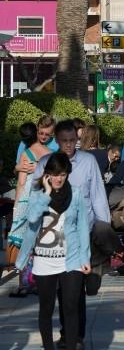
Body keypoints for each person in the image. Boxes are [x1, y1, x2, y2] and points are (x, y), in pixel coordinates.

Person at [32, 120, 110, 349]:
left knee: (75, 296)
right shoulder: (46, 162)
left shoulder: (88, 161)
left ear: (78, 139)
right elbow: (34, 195)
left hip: (80, 234)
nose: (68, 144)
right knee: (53, 298)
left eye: (72, 140)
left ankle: (75, 337)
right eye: (64, 140)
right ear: (57, 140)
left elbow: (97, 194)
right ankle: (65, 335)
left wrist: (103, 227)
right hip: (50, 241)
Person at [16, 153, 91, 350]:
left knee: (71, 306)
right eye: (55, 174)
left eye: (63, 174)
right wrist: (46, 193)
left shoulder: (75, 194)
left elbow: (83, 227)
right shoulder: (37, 193)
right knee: (46, 308)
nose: (58, 179)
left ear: (68, 175)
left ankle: (72, 345)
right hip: (44, 260)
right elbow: (32, 218)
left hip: (71, 259)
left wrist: (85, 257)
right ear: (47, 174)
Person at [8, 122, 53, 297]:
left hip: (26, 200)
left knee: (22, 242)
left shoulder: (26, 154)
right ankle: (38, 282)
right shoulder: (50, 154)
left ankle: (23, 283)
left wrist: (16, 206)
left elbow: (21, 184)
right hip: (43, 198)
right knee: (40, 240)